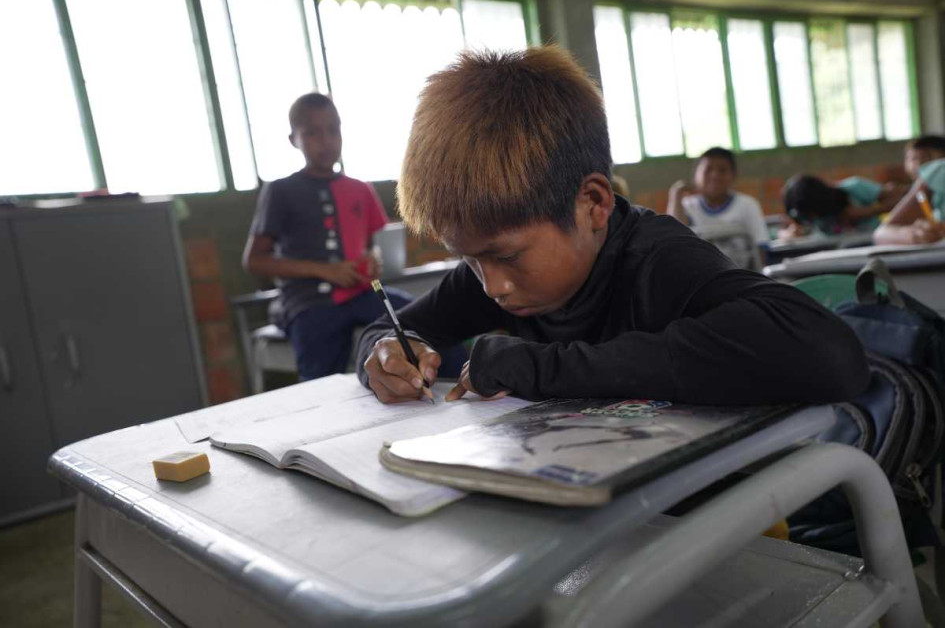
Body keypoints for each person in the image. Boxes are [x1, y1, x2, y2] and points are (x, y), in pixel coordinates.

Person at [356, 46, 868, 405]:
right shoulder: (494, 270)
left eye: (506, 256)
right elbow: (386, 329)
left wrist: (544, 368)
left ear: (593, 204)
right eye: (469, 260)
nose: (491, 286)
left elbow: (829, 353)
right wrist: (384, 356)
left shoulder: (656, 257)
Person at [242, 92, 413, 380]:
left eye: (333, 130)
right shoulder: (280, 191)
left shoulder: (361, 189)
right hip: (308, 302)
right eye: (312, 133)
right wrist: (325, 271)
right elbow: (255, 261)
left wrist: (372, 260)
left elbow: (370, 247)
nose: (326, 141)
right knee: (321, 376)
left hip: (362, 293)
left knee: (420, 320)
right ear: (294, 139)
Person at [666, 147, 768, 245]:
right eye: (708, 170)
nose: (715, 176)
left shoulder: (747, 205)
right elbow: (673, 241)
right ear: (696, 175)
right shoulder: (688, 206)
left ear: (733, 175)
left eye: (722, 170)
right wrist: (676, 194)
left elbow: (761, 246)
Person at [779, 174, 905, 239]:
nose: (813, 217)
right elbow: (783, 232)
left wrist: (867, 212)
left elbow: (901, 200)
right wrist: (789, 235)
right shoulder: (809, 216)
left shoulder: (854, 187)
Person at [874, 135, 945, 244]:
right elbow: (881, 233)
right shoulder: (938, 173)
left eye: (927, 157)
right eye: (912, 159)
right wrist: (915, 234)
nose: (918, 164)